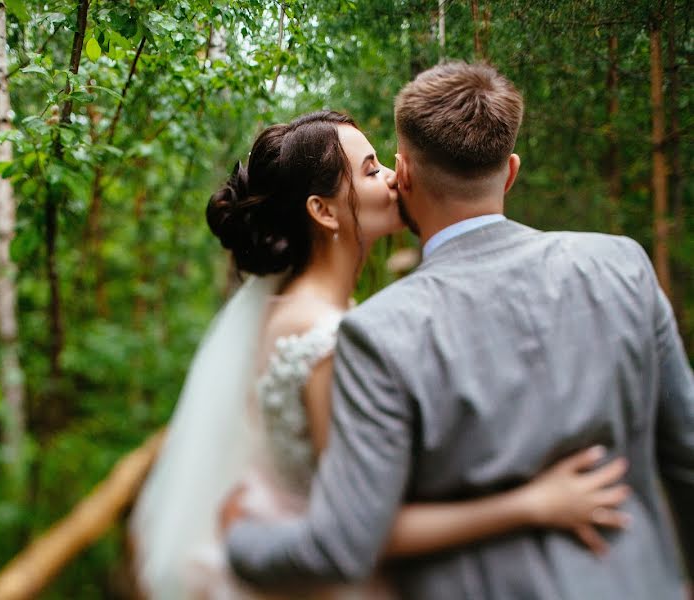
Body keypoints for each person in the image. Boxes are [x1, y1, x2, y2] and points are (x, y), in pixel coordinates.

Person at [224, 63, 694, 599]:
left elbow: (343, 540)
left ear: (408, 175)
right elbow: (686, 451)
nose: (385, 180)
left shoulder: (378, 331)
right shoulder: (623, 264)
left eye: (385, 166)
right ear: (511, 171)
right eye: (369, 169)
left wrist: (239, 544)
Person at [130, 109, 634, 599]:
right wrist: (533, 503)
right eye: (371, 170)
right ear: (323, 210)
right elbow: (365, 532)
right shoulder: (324, 338)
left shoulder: (309, 311)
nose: (395, 177)